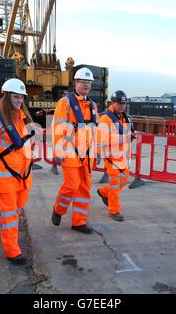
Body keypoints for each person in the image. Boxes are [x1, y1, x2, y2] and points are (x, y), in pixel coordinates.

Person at [0, 78, 35, 266]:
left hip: (21, 175)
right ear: (6, 96)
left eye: (21, 97)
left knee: (17, 209)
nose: (19, 100)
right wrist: (1, 162)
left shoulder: (21, 116)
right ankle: (12, 251)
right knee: (9, 214)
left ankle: (8, 237)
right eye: (16, 97)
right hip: (5, 176)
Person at [51, 68, 101, 234]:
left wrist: (98, 151)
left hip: (88, 154)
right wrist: (58, 152)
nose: (86, 85)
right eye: (83, 82)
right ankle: (58, 209)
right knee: (71, 185)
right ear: (75, 83)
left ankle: (79, 221)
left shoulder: (92, 105)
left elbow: (96, 131)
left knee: (84, 188)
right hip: (70, 152)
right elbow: (58, 128)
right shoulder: (65, 103)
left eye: (89, 82)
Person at [97, 90, 135, 221]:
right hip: (111, 157)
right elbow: (103, 140)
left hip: (122, 156)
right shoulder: (105, 119)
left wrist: (132, 136)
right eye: (119, 103)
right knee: (115, 182)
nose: (122, 106)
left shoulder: (125, 117)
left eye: (124, 103)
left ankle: (103, 192)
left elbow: (129, 134)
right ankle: (114, 210)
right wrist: (124, 138)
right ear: (112, 103)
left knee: (124, 179)